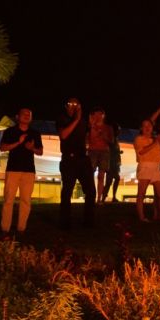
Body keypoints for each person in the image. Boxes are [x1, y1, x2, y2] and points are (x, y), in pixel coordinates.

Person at [0, 108, 42, 236]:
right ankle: (5, 228)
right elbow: (2, 147)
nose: (27, 116)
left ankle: (21, 228)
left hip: (29, 170)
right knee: (8, 199)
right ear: (17, 116)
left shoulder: (35, 133)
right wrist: (19, 142)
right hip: (13, 169)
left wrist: (32, 147)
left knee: (26, 200)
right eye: (24, 114)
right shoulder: (10, 131)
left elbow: (40, 151)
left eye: (29, 114)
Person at [57, 97, 96, 228]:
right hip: (69, 159)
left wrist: (91, 126)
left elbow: (89, 139)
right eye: (70, 104)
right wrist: (77, 119)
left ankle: (89, 221)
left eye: (76, 104)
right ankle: (65, 221)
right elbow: (63, 135)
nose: (73, 106)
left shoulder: (84, 122)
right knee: (67, 190)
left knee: (90, 191)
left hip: (83, 158)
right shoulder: (62, 119)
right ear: (66, 106)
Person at [132, 117, 160, 221]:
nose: (147, 128)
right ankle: (141, 217)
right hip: (145, 165)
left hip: (156, 166)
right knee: (142, 193)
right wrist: (156, 143)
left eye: (149, 125)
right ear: (141, 128)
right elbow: (142, 151)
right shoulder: (139, 139)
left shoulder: (156, 139)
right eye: (145, 126)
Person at [87, 108, 115, 204]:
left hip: (104, 152)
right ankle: (91, 196)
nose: (98, 116)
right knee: (90, 174)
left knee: (101, 176)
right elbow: (87, 139)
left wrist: (103, 136)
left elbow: (112, 141)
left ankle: (99, 198)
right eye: (96, 114)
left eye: (100, 114)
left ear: (103, 115)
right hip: (92, 151)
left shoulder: (108, 127)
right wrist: (92, 126)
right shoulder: (89, 126)